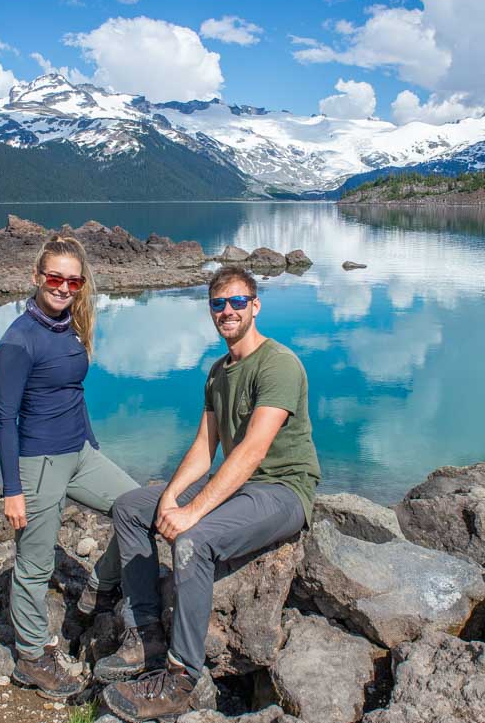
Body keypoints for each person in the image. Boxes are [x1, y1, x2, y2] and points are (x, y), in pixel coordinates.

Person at [97, 265, 322, 723]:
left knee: (193, 541)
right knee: (130, 508)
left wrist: (193, 512)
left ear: (255, 306)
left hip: (281, 489)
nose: (228, 311)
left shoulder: (278, 363)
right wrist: (169, 498)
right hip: (241, 484)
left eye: (238, 302)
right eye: (218, 304)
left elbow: (253, 452)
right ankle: (147, 635)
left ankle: (181, 678)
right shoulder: (218, 372)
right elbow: (205, 448)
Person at [0, 234, 139, 700]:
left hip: (79, 453)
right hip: (38, 463)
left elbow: (73, 393)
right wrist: (11, 489)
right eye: (54, 277)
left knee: (139, 508)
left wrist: (91, 441)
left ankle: (100, 585)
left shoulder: (70, 326)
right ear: (37, 277)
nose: (63, 287)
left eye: (72, 280)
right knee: (34, 567)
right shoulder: (19, 340)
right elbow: (4, 418)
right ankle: (32, 658)